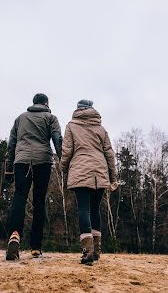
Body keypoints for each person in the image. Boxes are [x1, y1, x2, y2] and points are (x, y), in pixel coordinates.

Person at [4, 93, 62, 260]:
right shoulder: (51, 118)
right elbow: (57, 140)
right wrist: (63, 161)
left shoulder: (20, 119)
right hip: (42, 161)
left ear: (33, 103)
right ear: (47, 103)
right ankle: (36, 247)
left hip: (21, 161)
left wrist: (9, 169)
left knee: (19, 197)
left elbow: (11, 145)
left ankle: (14, 235)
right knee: (39, 201)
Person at [60, 99, 117, 264]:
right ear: (92, 110)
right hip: (100, 173)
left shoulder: (71, 126)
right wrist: (113, 177)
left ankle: (88, 250)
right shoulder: (101, 128)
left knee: (83, 209)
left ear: (77, 110)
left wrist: (64, 169)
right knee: (95, 209)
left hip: (80, 170)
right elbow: (109, 154)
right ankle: (97, 250)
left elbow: (66, 150)